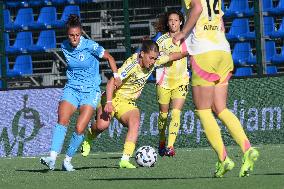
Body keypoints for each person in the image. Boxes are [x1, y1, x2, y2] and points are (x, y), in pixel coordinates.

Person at [173, 0, 259, 178]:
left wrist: (182, 32)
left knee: (203, 110)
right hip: (223, 51)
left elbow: (197, 7)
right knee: (220, 108)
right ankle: (247, 149)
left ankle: (223, 158)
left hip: (205, 53)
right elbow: (220, 21)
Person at [81, 40, 188, 168]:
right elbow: (111, 82)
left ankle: (125, 160)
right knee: (102, 126)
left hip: (128, 103)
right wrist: (109, 102)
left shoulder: (154, 62)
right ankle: (88, 137)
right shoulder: (131, 65)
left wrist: (189, 52)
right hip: (113, 97)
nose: (153, 61)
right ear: (142, 54)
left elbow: (172, 56)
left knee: (135, 122)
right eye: (151, 58)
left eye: (155, 58)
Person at [40, 14, 121, 171]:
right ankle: (52, 157)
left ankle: (68, 160)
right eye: (71, 35)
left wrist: (116, 76)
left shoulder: (90, 46)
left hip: (90, 92)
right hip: (72, 89)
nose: (75, 38)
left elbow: (109, 57)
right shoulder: (64, 46)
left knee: (79, 128)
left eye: (77, 35)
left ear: (81, 33)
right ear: (67, 35)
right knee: (62, 120)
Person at [153, 10, 189, 157]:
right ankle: (161, 140)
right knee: (163, 115)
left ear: (181, 22)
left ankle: (170, 146)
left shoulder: (185, 38)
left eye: (176, 20)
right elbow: (153, 56)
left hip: (181, 80)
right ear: (167, 23)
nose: (173, 22)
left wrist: (168, 57)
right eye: (170, 20)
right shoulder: (161, 40)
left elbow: (186, 53)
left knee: (176, 113)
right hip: (164, 81)